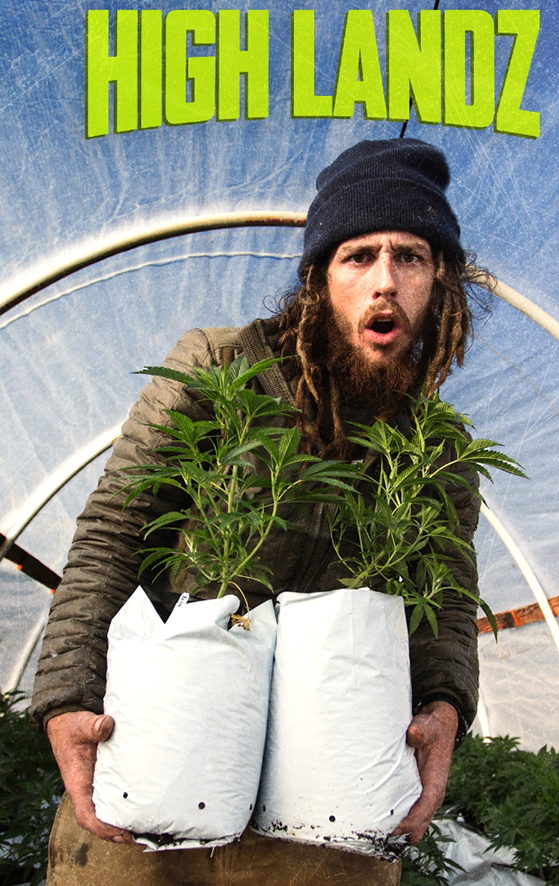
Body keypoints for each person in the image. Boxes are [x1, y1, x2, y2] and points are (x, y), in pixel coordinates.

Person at [31, 137, 482, 886]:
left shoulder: (440, 448)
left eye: (411, 257)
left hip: (328, 816)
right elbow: (112, 533)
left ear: (441, 284)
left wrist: (445, 708)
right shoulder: (218, 367)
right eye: (357, 256)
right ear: (317, 278)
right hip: (154, 770)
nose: (384, 283)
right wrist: (68, 697)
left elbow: (446, 611)